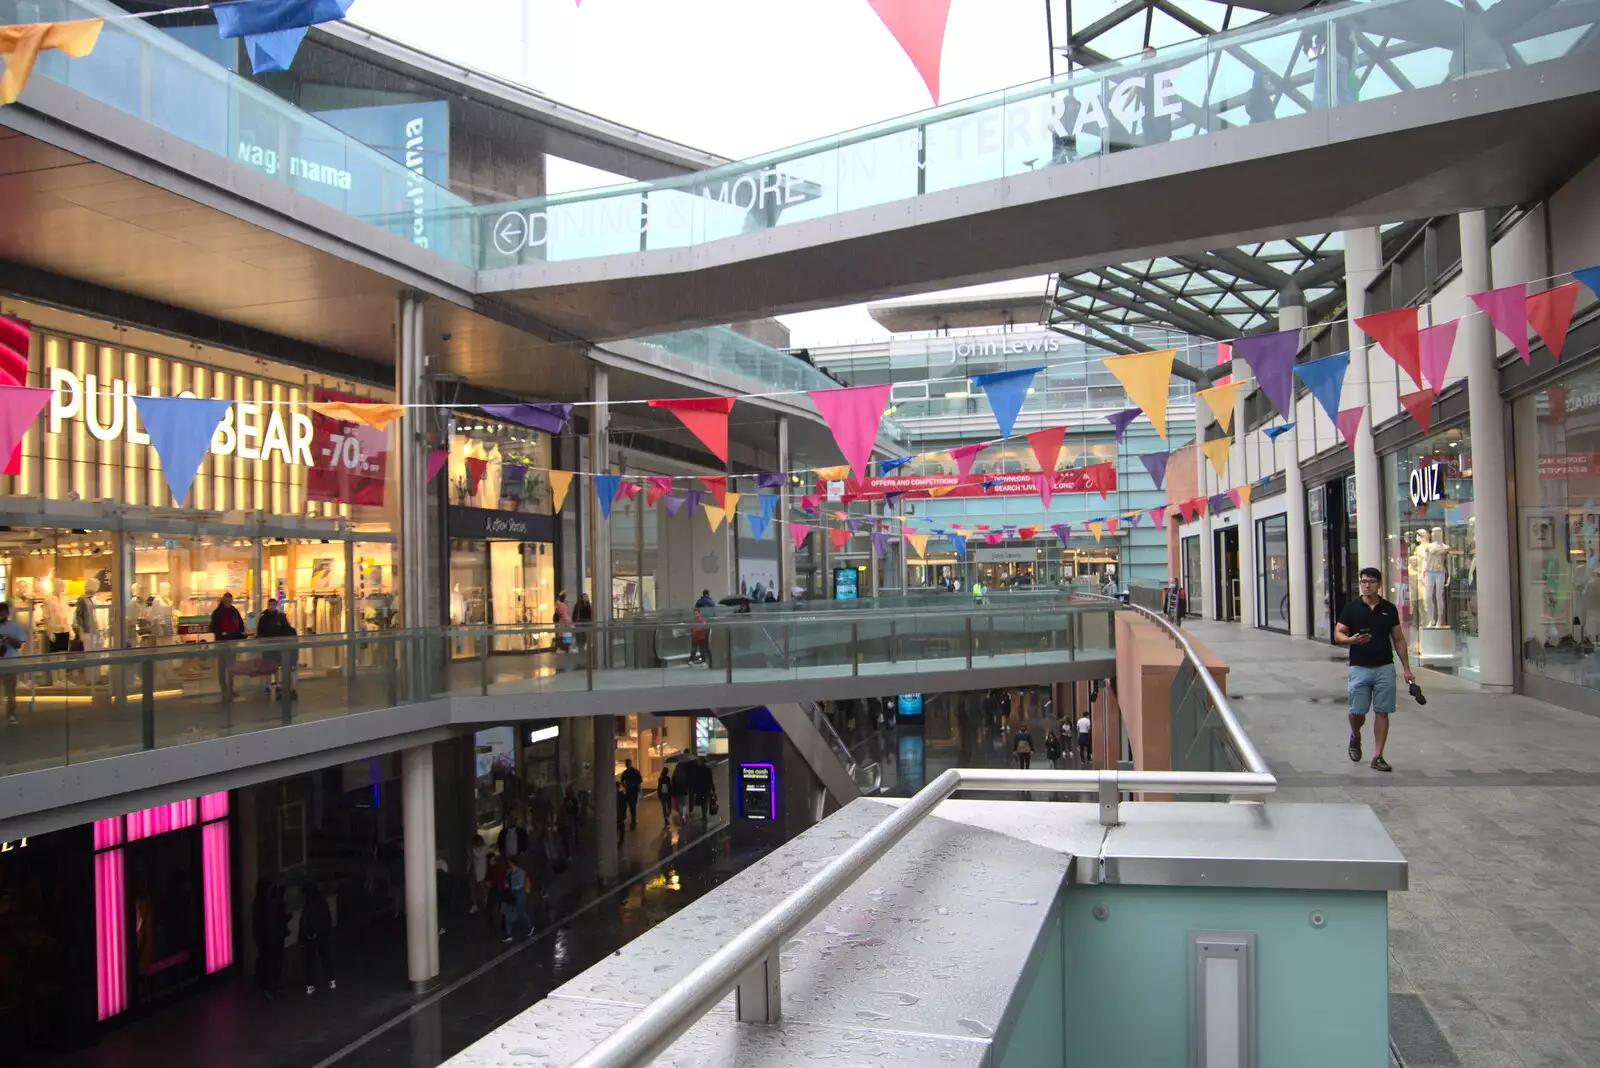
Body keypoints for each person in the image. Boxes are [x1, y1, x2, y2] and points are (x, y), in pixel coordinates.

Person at [1335, 566, 1415, 773]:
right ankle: (1356, 735)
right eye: (1363, 581)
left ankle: (1378, 756)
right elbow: (1338, 634)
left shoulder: (1389, 609)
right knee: (1356, 712)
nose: (1366, 585)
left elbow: (1398, 639)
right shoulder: (1352, 608)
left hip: (1384, 667)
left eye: (1371, 581)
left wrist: (1406, 669)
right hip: (1359, 668)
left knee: (1382, 712)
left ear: (1379, 584)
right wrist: (1351, 640)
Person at [255, 597, 297, 700]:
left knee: (277, 665)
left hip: (278, 646)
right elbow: (260, 631)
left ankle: (278, 685)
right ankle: (268, 685)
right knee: (267, 666)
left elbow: (287, 629)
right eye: (270, 605)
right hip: (267, 645)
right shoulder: (263, 618)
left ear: (276, 606)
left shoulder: (281, 617)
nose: (271, 607)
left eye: (273, 605)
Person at [251, 879, 287, 999]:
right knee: (269, 962)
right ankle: (268, 987)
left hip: (273, 936)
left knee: (274, 961)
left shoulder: (266, 903)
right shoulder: (263, 905)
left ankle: (271, 985)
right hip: (269, 938)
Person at [300, 883, 335, 995]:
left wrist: (304, 936)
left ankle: (310, 985)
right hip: (322, 935)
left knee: (310, 961)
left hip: (312, 936)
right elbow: (328, 920)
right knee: (325, 958)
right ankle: (331, 980)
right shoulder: (322, 903)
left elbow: (304, 922)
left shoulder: (308, 905)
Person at [210, 592, 246, 698]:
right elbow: (213, 627)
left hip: (232, 643)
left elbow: (240, 624)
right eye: (226, 601)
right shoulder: (217, 612)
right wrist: (222, 633)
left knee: (231, 667)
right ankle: (224, 689)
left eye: (230, 601)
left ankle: (230, 688)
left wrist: (241, 634)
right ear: (223, 600)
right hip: (222, 643)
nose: (228, 603)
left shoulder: (234, 611)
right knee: (222, 667)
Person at [0, 603, 27, 725]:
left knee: (10, 690)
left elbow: (19, 644)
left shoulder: (15, 627)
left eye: (3, 613)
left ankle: (11, 713)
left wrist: (9, 638)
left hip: (10, 661)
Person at [501, 857, 530, 942]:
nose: (509, 864)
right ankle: (508, 933)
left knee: (521, 912)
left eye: (510, 862)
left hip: (519, 894)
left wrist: (510, 887)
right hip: (511, 895)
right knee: (508, 913)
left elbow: (520, 884)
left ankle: (529, 925)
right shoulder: (509, 872)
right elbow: (506, 881)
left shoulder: (521, 872)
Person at [619, 758, 643, 829]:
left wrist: (634, 785)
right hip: (629, 791)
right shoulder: (627, 772)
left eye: (627, 763)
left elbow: (639, 781)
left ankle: (633, 821)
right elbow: (622, 780)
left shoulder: (633, 772)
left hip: (633, 791)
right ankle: (629, 819)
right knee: (627, 805)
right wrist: (625, 785)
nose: (627, 765)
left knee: (632, 806)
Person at [469, 834, 489, 914]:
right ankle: (475, 905)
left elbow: (478, 856)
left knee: (481, 887)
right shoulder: (475, 849)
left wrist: (471, 850)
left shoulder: (484, 849)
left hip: (481, 872)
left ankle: (485, 900)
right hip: (474, 871)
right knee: (472, 888)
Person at [670, 758, 693, 825]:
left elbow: (673, 782)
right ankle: (684, 815)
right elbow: (687, 781)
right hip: (684, 790)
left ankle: (681, 815)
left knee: (680, 803)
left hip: (677, 791)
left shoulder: (675, 773)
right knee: (684, 803)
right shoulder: (685, 772)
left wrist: (673, 791)